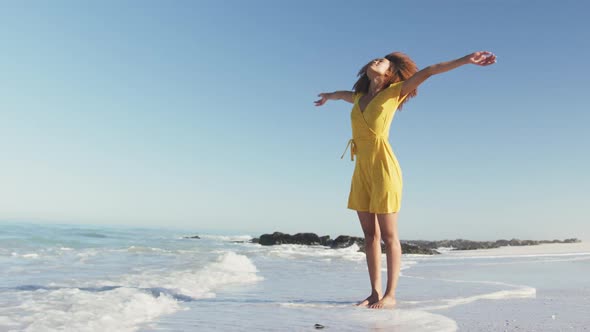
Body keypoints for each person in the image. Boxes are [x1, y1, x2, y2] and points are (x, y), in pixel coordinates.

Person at [314, 51, 496, 309]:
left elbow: (431, 70)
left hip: (384, 167)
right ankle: (374, 293)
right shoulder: (358, 98)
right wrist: (328, 97)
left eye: (382, 61)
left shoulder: (394, 92)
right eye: (374, 59)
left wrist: (466, 60)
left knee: (389, 236)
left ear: (390, 72)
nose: (375, 61)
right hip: (361, 169)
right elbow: (341, 94)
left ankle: (391, 295)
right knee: (369, 237)